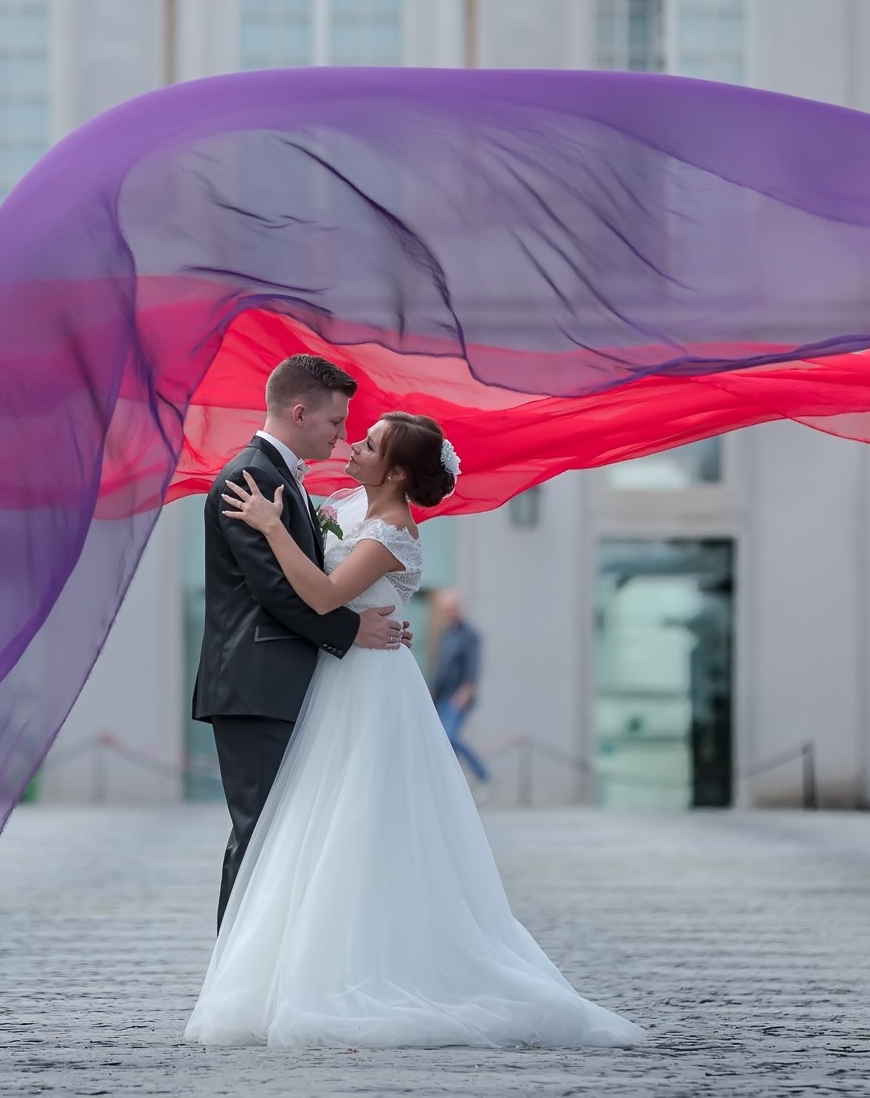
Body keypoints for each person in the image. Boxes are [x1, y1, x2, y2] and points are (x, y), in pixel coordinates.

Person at [186, 410, 644, 1049]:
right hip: (336, 677)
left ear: (396, 471)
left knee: (358, 825)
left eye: (369, 443)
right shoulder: (346, 505)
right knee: (310, 825)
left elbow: (321, 594)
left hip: (370, 686)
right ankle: (283, 970)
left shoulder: (395, 529)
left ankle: (359, 969)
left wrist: (269, 526)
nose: (353, 443)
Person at [193, 355, 411, 930]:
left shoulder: (280, 476)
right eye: (336, 422)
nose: (342, 436)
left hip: (283, 679)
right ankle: (231, 981)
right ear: (299, 411)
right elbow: (276, 591)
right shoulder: (253, 477)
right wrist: (353, 629)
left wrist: (366, 615)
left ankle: (263, 976)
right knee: (261, 832)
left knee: (284, 836)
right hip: (256, 682)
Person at [430, 590, 491, 781]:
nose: (450, 612)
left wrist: (465, 692)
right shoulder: (445, 633)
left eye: (453, 608)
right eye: (446, 608)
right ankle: (452, 781)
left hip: (457, 696)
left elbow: (473, 666)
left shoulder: (469, 634)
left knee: (449, 736)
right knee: (442, 741)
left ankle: (483, 774)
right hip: (441, 695)